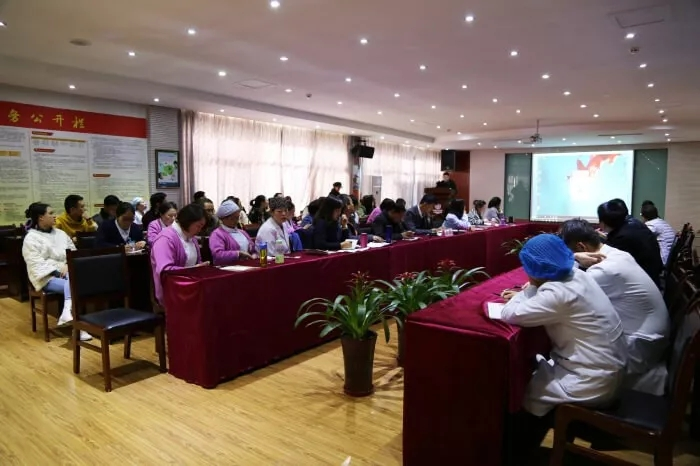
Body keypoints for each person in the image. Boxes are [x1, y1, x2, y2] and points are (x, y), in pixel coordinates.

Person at [501, 234, 627, 458]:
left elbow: (510, 313)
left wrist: (527, 290)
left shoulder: (558, 293)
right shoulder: (578, 275)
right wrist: (532, 288)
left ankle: (519, 454)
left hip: (591, 379)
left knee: (529, 397)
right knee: (537, 374)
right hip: (607, 367)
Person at [560, 219, 670, 394]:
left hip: (638, 349)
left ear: (581, 247)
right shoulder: (617, 254)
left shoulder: (603, 271)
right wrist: (574, 257)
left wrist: (571, 259)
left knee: (564, 347)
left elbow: (565, 297)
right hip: (654, 338)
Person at [22, 203, 91, 341]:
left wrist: (68, 264)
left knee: (75, 282)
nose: (55, 216)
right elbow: (35, 263)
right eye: (51, 213)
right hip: (47, 278)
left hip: (67, 273)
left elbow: (73, 252)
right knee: (75, 285)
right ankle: (79, 328)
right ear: (41, 217)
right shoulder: (31, 238)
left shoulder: (61, 233)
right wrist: (59, 271)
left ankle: (67, 311)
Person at [150, 204, 208, 305]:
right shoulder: (165, 239)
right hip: (173, 291)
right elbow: (165, 270)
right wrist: (193, 270)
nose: (200, 230)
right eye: (198, 226)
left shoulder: (191, 238)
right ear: (188, 222)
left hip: (191, 287)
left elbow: (197, 262)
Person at [598, 199, 662, 285]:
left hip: (643, 282)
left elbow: (605, 262)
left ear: (602, 223)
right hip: (653, 275)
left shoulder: (622, 238)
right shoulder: (634, 223)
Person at [209, 200, 255, 265]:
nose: (237, 221)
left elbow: (253, 249)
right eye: (233, 218)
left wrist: (254, 255)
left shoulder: (243, 233)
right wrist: (238, 254)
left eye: (238, 218)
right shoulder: (217, 234)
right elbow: (218, 255)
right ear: (224, 219)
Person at [641, 202, 676, 266]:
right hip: (671, 258)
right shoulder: (661, 222)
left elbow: (641, 237)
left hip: (664, 260)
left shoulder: (651, 224)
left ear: (644, 216)